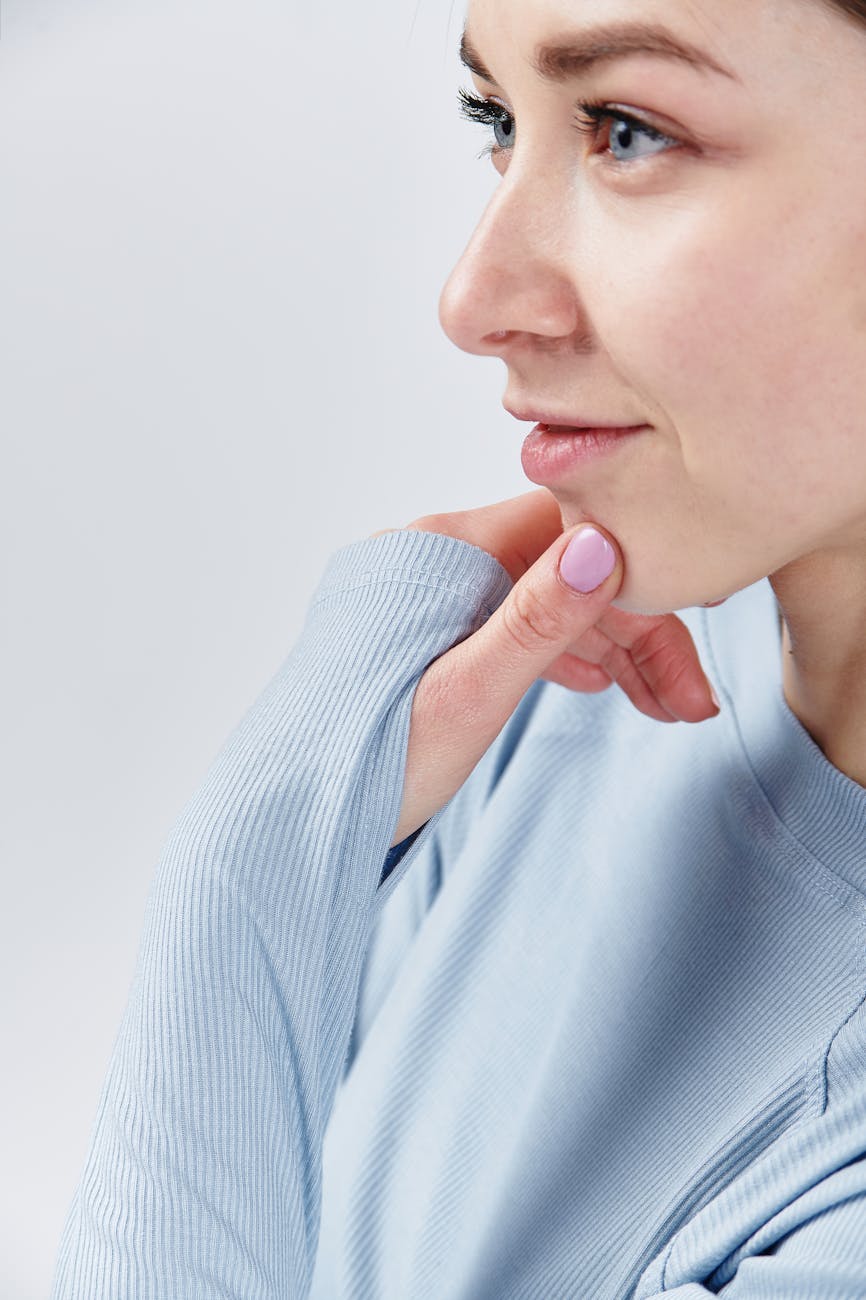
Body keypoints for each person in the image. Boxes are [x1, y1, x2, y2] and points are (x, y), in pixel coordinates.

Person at [51, 0, 866, 1295]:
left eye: (628, 130)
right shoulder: (565, 696)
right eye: (497, 118)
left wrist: (255, 863)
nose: (472, 300)